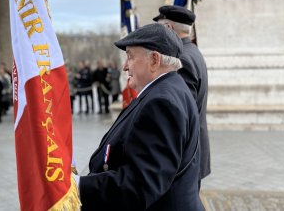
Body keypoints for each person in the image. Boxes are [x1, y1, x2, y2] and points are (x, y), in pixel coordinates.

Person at [76, 23, 203, 210]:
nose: (124, 66)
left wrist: (77, 185)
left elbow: (139, 186)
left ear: (154, 60)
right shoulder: (166, 89)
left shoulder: (161, 103)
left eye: (130, 56)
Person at [153, 5, 211, 191]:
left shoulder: (182, 59)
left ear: (169, 29)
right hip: (194, 153)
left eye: (160, 28)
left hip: (185, 159)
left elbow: (179, 113)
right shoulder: (193, 52)